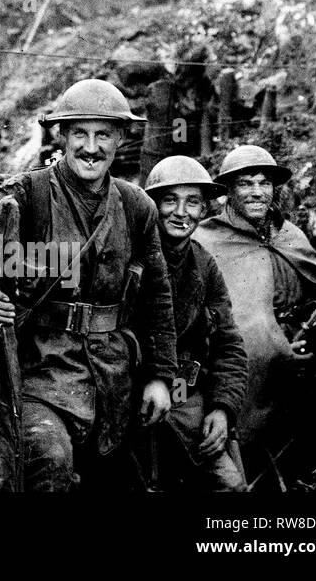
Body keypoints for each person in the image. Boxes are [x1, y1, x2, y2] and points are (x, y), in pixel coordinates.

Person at [0, 78, 178, 491]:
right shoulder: (24, 195)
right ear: (61, 135)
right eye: (80, 133)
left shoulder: (137, 206)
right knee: (48, 466)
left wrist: (161, 377)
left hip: (114, 381)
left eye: (103, 135)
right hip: (37, 373)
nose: (91, 147)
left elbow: (158, 300)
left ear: (120, 140)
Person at [195, 143, 316, 484]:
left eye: (264, 183)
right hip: (244, 368)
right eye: (246, 183)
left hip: (301, 356)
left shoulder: (290, 235)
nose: (257, 192)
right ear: (228, 191)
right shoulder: (206, 240)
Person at [134, 156, 247, 491]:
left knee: (230, 485)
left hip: (184, 397)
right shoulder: (128, 253)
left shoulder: (204, 265)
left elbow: (228, 344)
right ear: (152, 205)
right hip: (127, 393)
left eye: (193, 202)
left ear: (203, 210)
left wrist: (223, 408)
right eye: (170, 200)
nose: (181, 213)